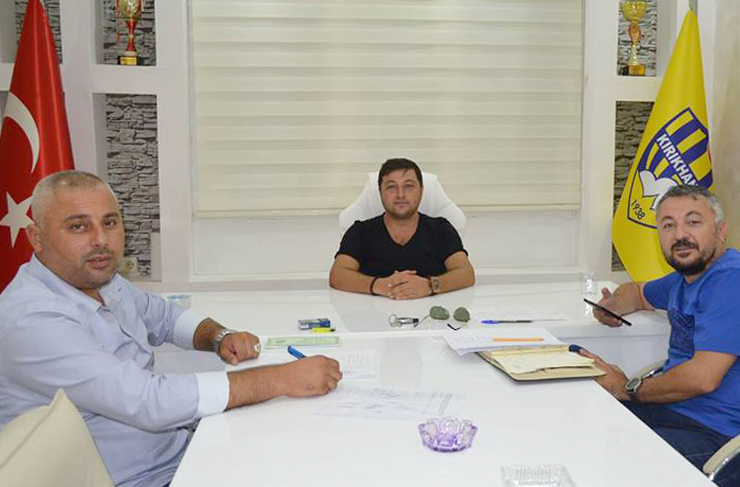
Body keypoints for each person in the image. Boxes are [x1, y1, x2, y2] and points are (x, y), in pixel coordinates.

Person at [0, 171, 342, 487]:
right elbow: (147, 401)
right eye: (78, 226)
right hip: (138, 479)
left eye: (110, 222)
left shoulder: (98, 279)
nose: (101, 240)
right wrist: (281, 378)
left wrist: (220, 337)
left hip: (180, 451)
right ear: (37, 238)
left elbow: (164, 317)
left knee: (312, 454)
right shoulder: (32, 319)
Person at [582, 185, 740, 487]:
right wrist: (614, 305)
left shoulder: (732, 280)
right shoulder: (685, 279)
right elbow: (638, 292)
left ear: (721, 231)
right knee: (581, 423)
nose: (680, 235)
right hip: (671, 413)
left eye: (693, 222)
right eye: (668, 225)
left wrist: (628, 388)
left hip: (718, 437)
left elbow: (703, 379)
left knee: (602, 462)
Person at [329, 158, 474, 299]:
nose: (400, 195)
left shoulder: (441, 229)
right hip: (372, 313)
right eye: (391, 187)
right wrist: (379, 285)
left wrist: (430, 285)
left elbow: (466, 273)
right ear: (380, 191)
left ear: (421, 191)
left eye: (408, 186)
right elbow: (337, 275)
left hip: (431, 313)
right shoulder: (360, 232)